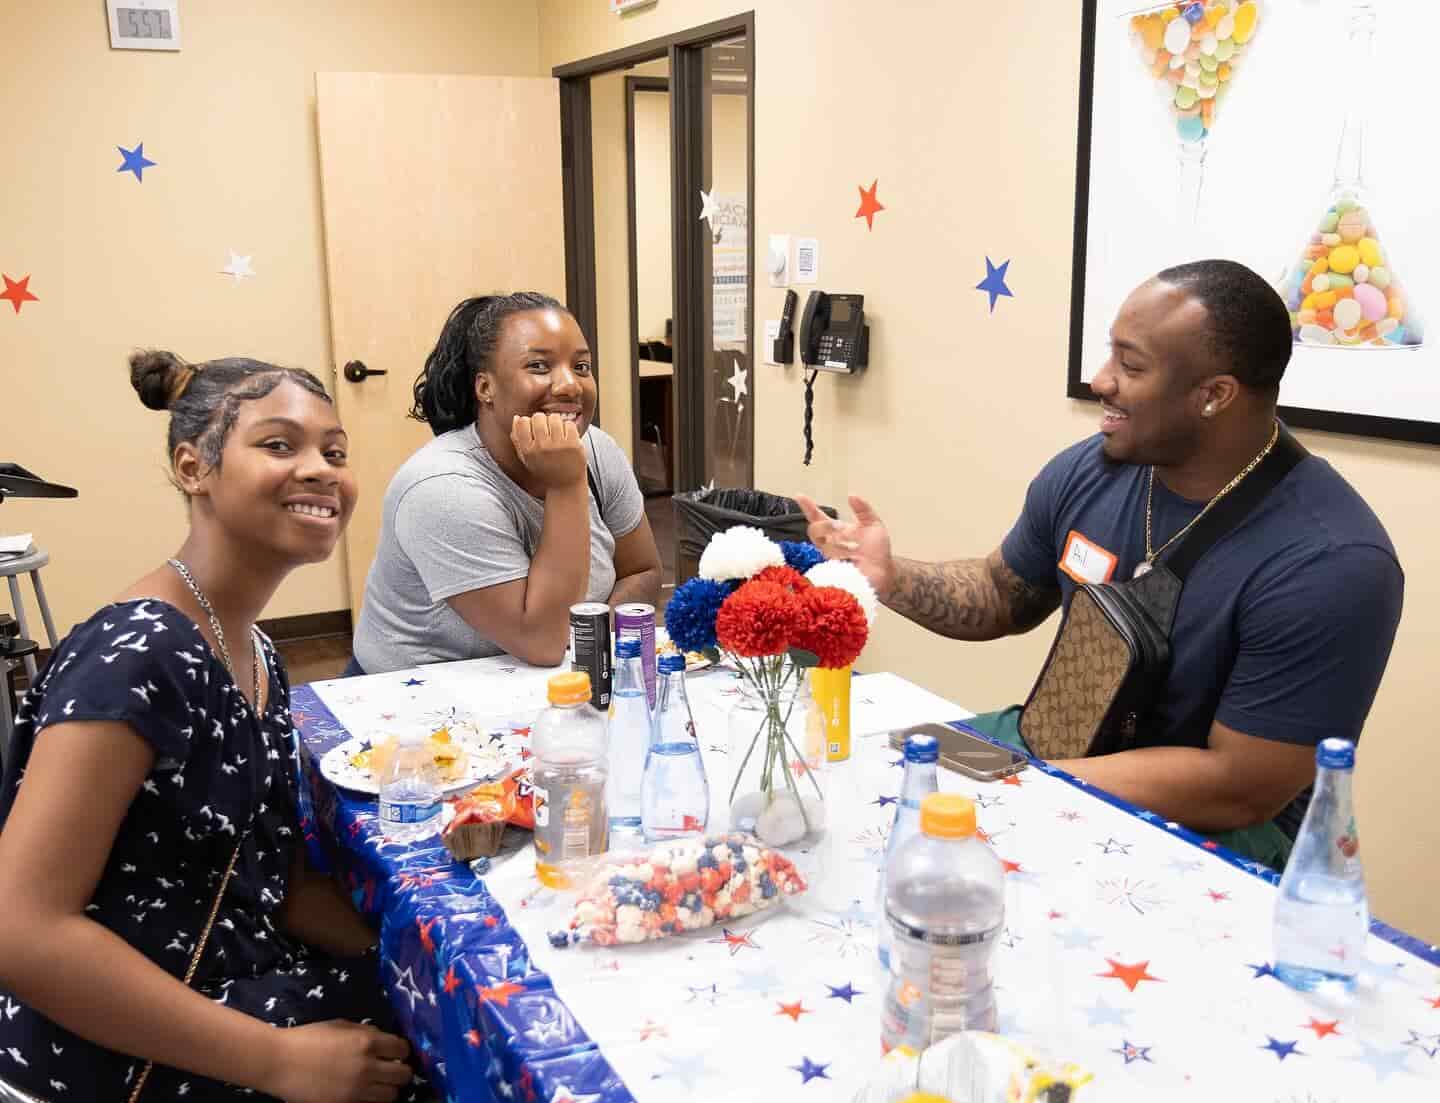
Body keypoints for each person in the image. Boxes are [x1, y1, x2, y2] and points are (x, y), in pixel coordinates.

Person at [798, 260, 1403, 868]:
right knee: (847, 800)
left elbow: (1239, 786)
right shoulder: (1098, 468)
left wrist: (1025, 786)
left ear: (1215, 394)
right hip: (1050, 751)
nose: (1099, 381)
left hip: (1213, 829)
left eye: (1130, 365)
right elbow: (1001, 591)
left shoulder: (1331, 562)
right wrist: (892, 578)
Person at [0, 352, 446, 1103]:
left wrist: (426, 945)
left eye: (335, 452)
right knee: (464, 1053)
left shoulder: (254, 652)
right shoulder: (139, 652)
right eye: (279, 445)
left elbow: (278, 880)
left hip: (215, 982)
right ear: (193, 466)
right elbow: (19, 929)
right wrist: (281, 1059)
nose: (319, 470)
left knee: (463, 1001)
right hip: (104, 1052)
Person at [351, 292, 662, 673]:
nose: (569, 385)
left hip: (551, 683)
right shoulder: (440, 487)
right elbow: (543, 641)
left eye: (582, 366)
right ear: (485, 388)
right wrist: (566, 485)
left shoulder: (597, 451)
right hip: (416, 703)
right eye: (538, 366)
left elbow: (642, 572)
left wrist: (587, 642)